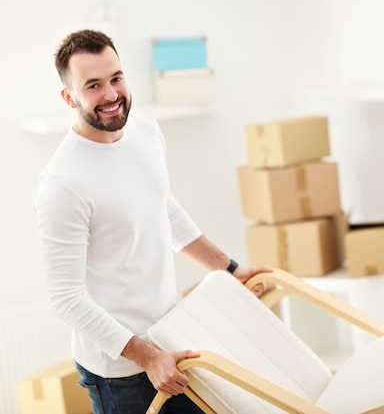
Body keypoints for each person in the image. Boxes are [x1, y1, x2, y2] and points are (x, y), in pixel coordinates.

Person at [34, 29, 270, 414]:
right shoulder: (63, 184)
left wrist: (229, 269)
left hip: (169, 341)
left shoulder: (145, 131)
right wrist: (145, 357)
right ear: (68, 96)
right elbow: (65, 298)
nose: (111, 95)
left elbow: (164, 207)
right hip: (121, 371)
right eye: (93, 85)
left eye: (116, 78)